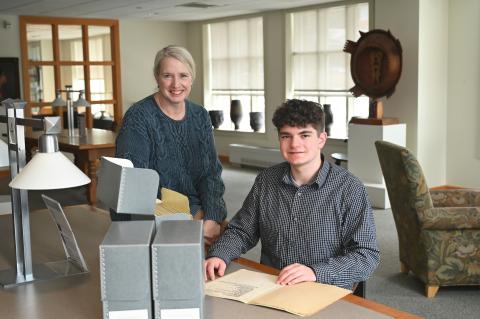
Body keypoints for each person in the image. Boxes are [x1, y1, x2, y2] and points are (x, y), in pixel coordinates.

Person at [204, 99, 379, 290]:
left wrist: (315, 272)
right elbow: (242, 231)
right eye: (286, 136)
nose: (295, 144)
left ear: (321, 139)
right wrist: (219, 254)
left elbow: (366, 255)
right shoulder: (266, 181)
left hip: (325, 289)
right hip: (273, 285)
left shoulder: (350, 188)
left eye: (304, 135)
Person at [115, 45, 227, 245]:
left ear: (192, 78)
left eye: (183, 75)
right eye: (168, 75)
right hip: (156, 216)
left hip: (198, 211)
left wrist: (212, 217)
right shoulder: (139, 117)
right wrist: (188, 220)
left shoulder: (200, 115)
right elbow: (136, 186)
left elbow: (210, 174)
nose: (176, 84)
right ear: (157, 78)